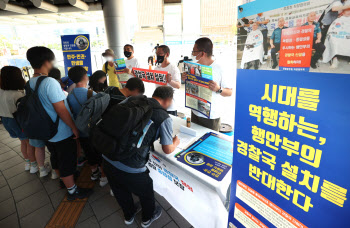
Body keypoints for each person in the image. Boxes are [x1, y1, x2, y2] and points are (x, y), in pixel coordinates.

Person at [103, 86, 180, 227]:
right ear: (168, 100)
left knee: (120, 190)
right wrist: (175, 142)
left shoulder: (132, 100)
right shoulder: (164, 117)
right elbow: (167, 149)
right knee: (146, 193)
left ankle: (129, 215)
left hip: (108, 155)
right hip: (132, 166)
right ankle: (146, 219)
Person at [26, 46, 92, 200]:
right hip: (60, 131)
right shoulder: (49, 82)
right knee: (67, 160)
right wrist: (74, 128)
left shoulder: (30, 82)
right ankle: (72, 191)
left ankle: (64, 181)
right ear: (47, 61)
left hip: (45, 130)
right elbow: (61, 110)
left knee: (55, 156)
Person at [67, 66, 109, 187]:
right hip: (94, 130)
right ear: (85, 77)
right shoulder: (91, 93)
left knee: (89, 152)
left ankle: (93, 173)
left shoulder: (70, 95)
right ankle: (103, 177)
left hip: (81, 130)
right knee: (99, 153)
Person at [182, 37, 233, 131]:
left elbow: (230, 92)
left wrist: (218, 89)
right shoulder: (193, 66)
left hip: (211, 117)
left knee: (209, 142)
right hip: (195, 111)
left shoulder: (219, 68)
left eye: (194, 51)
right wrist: (185, 78)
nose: (192, 54)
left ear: (202, 53)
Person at [0, 66, 36, 172]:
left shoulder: (1, 92)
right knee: (29, 143)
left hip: (6, 120)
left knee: (23, 142)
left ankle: (28, 163)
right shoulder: (17, 95)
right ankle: (34, 165)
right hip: (18, 121)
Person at [154, 45, 181, 116]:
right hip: (158, 104)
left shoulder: (173, 68)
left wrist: (170, 81)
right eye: (157, 54)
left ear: (167, 54)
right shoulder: (156, 68)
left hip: (169, 106)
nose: (158, 56)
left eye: (160, 54)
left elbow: (178, 85)